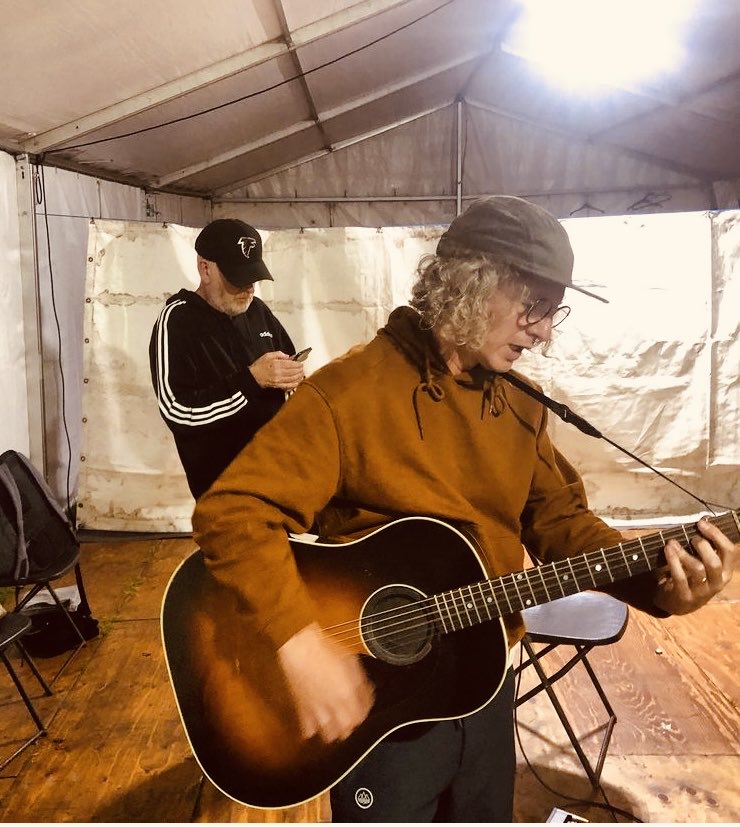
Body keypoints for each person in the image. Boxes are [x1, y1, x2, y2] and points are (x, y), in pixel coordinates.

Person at [191, 196, 738, 822]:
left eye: (552, 311)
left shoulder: (521, 404)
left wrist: (666, 585)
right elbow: (232, 512)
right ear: (470, 284)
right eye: (534, 306)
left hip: (486, 680)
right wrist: (297, 640)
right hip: (382, 698)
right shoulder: (349, 393)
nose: (545, 331)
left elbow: (564, 526)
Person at [149, 218, 305, 500]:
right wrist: (252, 380)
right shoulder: (178, 320)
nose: (249, 288)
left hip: (279, 475)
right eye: (237, 278)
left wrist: (293, 380)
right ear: (205, 268)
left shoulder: (258, 310)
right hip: (226, 492)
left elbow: (288, 366)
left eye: (253, 277)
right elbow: (178, 411)